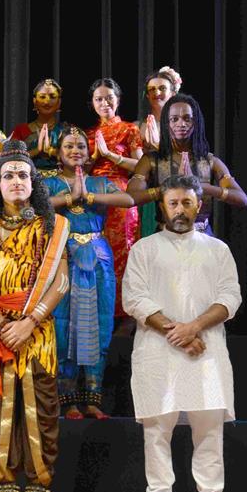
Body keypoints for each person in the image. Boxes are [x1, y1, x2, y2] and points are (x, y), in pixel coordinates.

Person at [122, 175, 241, 492]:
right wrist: (179, 331)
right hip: (158, 350)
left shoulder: (217, 250)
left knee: (208, 429)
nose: (180, 209)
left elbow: (230, 297)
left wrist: (194, 328)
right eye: (173, 203)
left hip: (206, 350)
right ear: (162, 206)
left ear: (198, 205)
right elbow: (134, 298)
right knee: (158, 429)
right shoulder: (145, 248)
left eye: (187, 203)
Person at [0, 141, 69, 492]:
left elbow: (61, 283)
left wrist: (28, 322)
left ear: (34, 182)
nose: (16, 181)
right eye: (7, 175)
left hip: (39, 333)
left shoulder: (51, 228)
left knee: (41, 414)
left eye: (23, 175)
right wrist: (2, 324)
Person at [43, 127, 136, 419]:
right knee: (64, 323)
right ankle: (67, 400)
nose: (75, 151)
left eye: (81, 146)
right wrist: (70, 198)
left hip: (97, 257)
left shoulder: (100, 182)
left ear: (90, 152)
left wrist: (91, 197)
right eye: (69, 146)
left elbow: (129, 200)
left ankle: (93, 398)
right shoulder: (48, 182)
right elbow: (36, 207)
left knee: (99, 321)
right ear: (57, 153)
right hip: (63, 256)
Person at [128, 93, 247, 235]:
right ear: (167, 123)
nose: (181, 124)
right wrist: (168, 189)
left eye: (187, 119)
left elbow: (242, 199)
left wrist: (202, 187)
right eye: (174, 119)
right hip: (165, 238)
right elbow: (131, 198)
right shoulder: (151, 160)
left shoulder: (210, 161)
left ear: (195, 122)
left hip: (202, 238)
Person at [85, 78, 143, 316]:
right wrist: (94, 157)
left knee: (123, 252)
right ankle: (102, 312)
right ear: (92, 103)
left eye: (109, 97)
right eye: (99, 99)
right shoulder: (88, 134)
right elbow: (80, 168)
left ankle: (126, 313)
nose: (104, 102)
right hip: (93, 196)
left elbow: (140, 165)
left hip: (121, 196)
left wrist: (111, 156)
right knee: (97, 253)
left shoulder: (130, 129)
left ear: (118, 100)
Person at [133, 67, 182, 237]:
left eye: (162, 88)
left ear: (173, 93)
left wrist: (159, 147)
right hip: (147, 193)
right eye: (152, 89)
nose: (157, 92)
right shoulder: (137, 127)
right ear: (147, 96)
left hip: (176, 190)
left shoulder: (182, 126)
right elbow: (137, 165)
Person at [8, 79, 67, 173]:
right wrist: (36, 151)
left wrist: (52, 151)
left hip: (61, 183)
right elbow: (9, 160)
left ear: (59, 102)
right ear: (35, 101)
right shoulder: (21, 130)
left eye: (52, 97)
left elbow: (76, 159)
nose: (47, 101)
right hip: (27, 181)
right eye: (42, 97)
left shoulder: (66, 130)